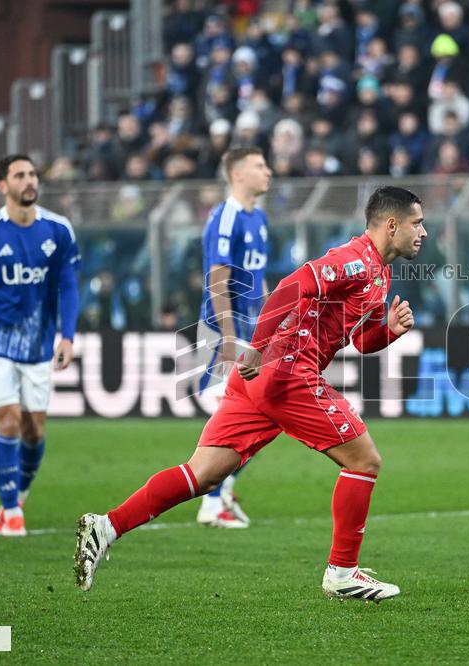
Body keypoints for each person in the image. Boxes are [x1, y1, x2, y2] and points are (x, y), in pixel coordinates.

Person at [74, 186, 427, 601]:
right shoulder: (353, 260)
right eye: (417, 223)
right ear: (392, 225)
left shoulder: (380, 273)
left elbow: (359, 340)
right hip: (287, 372)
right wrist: (257, 347)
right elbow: (289, 288)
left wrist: (388, 331)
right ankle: (342, 572)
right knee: (364, 461)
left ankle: (106, 525)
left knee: (203, 473)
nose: (423, 232)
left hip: (263, 379)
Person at [0, 154, 80, 537]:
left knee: (35, 432)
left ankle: (17, 496)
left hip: (38, 346)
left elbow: (69, 286)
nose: (29, 181)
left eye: (31, 175)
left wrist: (68, 336)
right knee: (8, 421)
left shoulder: (58, 230)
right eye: (19, 175)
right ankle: (12, 513)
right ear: (3, 185)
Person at [194, 145, 272, 529]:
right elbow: (217, 280)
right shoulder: (226, 218)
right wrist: (228, 338)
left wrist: (274, 322)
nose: (268, 171)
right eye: (260, 166)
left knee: (264, 416)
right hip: (226, 333)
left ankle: (220, 493)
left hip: (252, 333)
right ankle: (212, 500)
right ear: (237, 174)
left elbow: (259, 279)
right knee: (239, 418)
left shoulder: (258, 218)